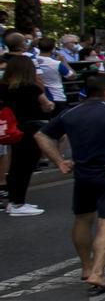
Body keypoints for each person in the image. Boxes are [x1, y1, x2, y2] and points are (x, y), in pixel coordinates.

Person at [35, 75, 105, 293]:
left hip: (83, 174)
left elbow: (41, 135)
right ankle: (98, 273)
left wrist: (59, 161)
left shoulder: (71, 112)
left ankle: (86, 267)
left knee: (82, 219)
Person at [0, 56, 54, 215]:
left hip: (11, 128)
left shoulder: (3, 87)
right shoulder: (32, 88)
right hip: (31, 128)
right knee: (25, 166)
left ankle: (13, 200)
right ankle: (18, 203)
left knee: (15, 164)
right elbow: (48, 105)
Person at [34, 37, 74, 114]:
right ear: (53, 49)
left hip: (39, 98)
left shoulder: (32, 60)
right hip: (57, 97)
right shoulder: (56, 63)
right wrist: (64, 62)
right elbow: (72, 76)